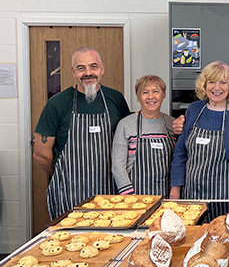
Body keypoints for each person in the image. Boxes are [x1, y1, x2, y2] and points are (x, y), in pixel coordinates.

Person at [33, 46, 130, 220]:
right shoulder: (57, 104)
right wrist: (64, 175)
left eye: (93, 67)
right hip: (70, 194)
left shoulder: (115, 99)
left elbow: (129, 139)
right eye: (81, 68)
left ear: (102, 68)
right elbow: (41, 154)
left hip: (109, 192)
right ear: (73, 71)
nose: (88, 73)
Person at [170, 61, 229, 220]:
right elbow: (180, 154)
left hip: (221, 204)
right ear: (204, 84)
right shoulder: (194, 110)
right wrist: (175, 190)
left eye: (223, 83)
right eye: (212, 82)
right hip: (191, 200)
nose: (217, 88)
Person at [111, 75, 184, 197]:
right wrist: (130, 197)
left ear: (164, 94)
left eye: (156, 91)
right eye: (145, 92)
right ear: (138, 97)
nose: (151, 97)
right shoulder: (126, 124)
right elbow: (118, 166)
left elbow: (180, 160)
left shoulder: (172, 124)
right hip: (135, 198)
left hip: (166, 197)